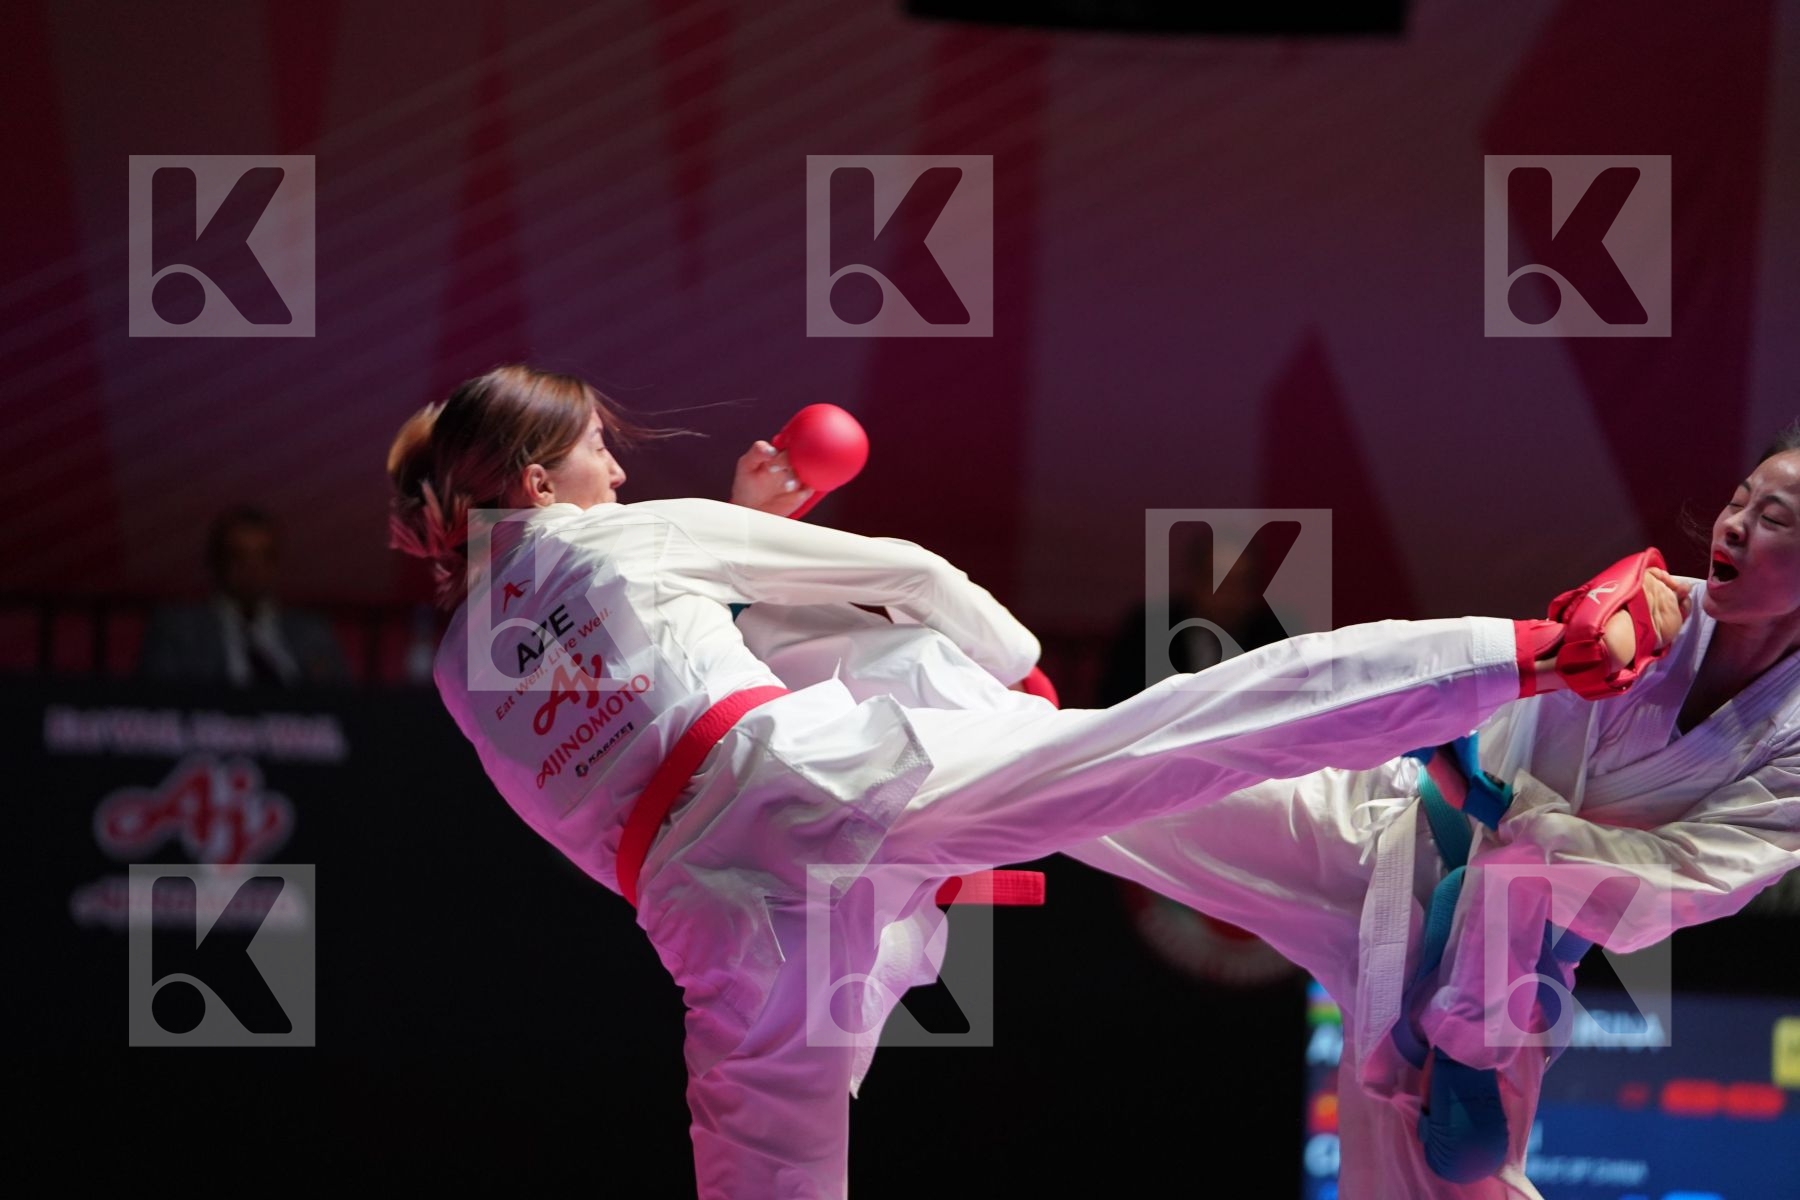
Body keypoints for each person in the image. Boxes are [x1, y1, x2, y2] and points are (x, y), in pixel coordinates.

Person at [385, 363, 1678, 1199]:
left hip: (713, 920)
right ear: (543, 482)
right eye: (599, 453)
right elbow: (909, 577)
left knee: (763, 1186)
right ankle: (1534, 652)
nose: (618, 471)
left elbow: (611, 772)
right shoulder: (617, 536)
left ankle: (1434, 850)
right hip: (824, 786)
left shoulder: (453, 672)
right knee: (1172, 737)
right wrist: (1016, 683)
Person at [138, 505, 351, 687]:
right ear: (216, 561)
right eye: (238, 556)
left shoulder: (312, 635)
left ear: (277, 563)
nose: (252, 569)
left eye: (264, 557)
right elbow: (155, 706)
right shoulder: (178, 632)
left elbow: (345, 705)